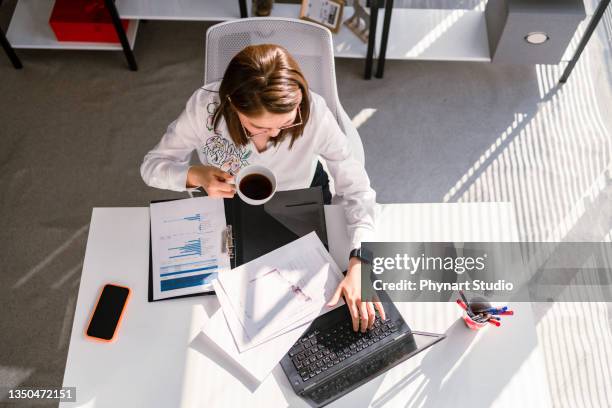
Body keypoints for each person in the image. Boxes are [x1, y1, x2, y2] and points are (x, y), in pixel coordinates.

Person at [140, 44, 384, 332]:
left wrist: (362, 260)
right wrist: (194, 175)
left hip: (300, 196)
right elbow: (152, 167)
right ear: (232, 105)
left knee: (310, 302)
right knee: (222, 302)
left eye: (286, 121)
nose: (275, 134)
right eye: (258, 126)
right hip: (229, 198)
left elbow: (358, 189)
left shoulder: (314, 112)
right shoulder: (203, 110)